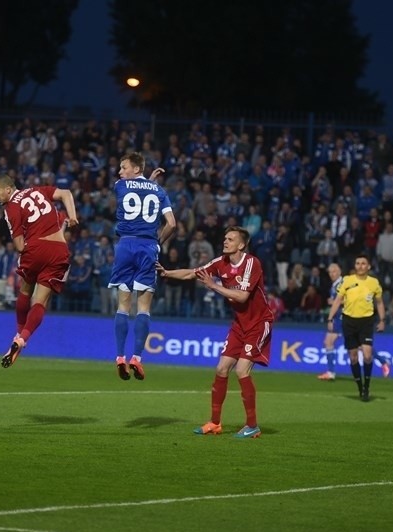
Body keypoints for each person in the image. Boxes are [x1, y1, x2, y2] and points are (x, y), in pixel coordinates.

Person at [157, 226, 273, 438]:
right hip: (239, 324)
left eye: (230, 239)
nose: (225, 241)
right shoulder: (221, 263)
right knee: (221, 369)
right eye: (225, 238)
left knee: (241, 371)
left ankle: (252, 425)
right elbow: (193, 273)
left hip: (258, 323)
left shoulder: (251, 263)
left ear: (241, 244)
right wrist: (167, 273)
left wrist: (213, 285)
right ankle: (215, 423)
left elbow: (242, 297)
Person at [0, 174, 78, 368]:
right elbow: (66, 193)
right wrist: (72, 216)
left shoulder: (11, 208)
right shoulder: (37, 190)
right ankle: (22, 339)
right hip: (59, 251)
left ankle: (18, 334)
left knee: (25, 290)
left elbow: (20, 245)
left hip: (36, 249)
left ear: (8, 189)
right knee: (41, 302)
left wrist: (30, 244)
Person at [108, 152, 176, 380]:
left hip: (125, 246)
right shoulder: (160, 191)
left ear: (136, 169)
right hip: (148, 247)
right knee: (144, 308)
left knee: (123, 305)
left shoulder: (120, 186)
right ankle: (137, 358)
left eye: (123, 167)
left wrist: (147, 181)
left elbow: (135, 191)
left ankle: (119, 357)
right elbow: (172, 224)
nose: (120, 172)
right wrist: (158, 242)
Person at [326, 253, 386, 401]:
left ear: (369, 266)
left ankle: (367, 386)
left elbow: (379, 302)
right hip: (349, 322)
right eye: (358, 263)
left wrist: (382, 320)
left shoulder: (374, 283)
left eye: (363, 263)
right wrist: (330, 318)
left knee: (367, 354)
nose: (360, 265)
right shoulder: (347, 280)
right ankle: (360, 387)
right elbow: (338, 300)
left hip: (366, 321)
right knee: (353, 357)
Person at [317, 263, 343, 381]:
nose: (332, 274)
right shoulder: (335, 285)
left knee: (359, 346)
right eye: (330, 272)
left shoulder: (341, 284)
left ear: (339, 271)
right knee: (328, 341)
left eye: (334, 271)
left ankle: (383, 361)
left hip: (342, 318)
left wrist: (334, 302)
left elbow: (348, 300)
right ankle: (331, 372)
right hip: (338, 317)